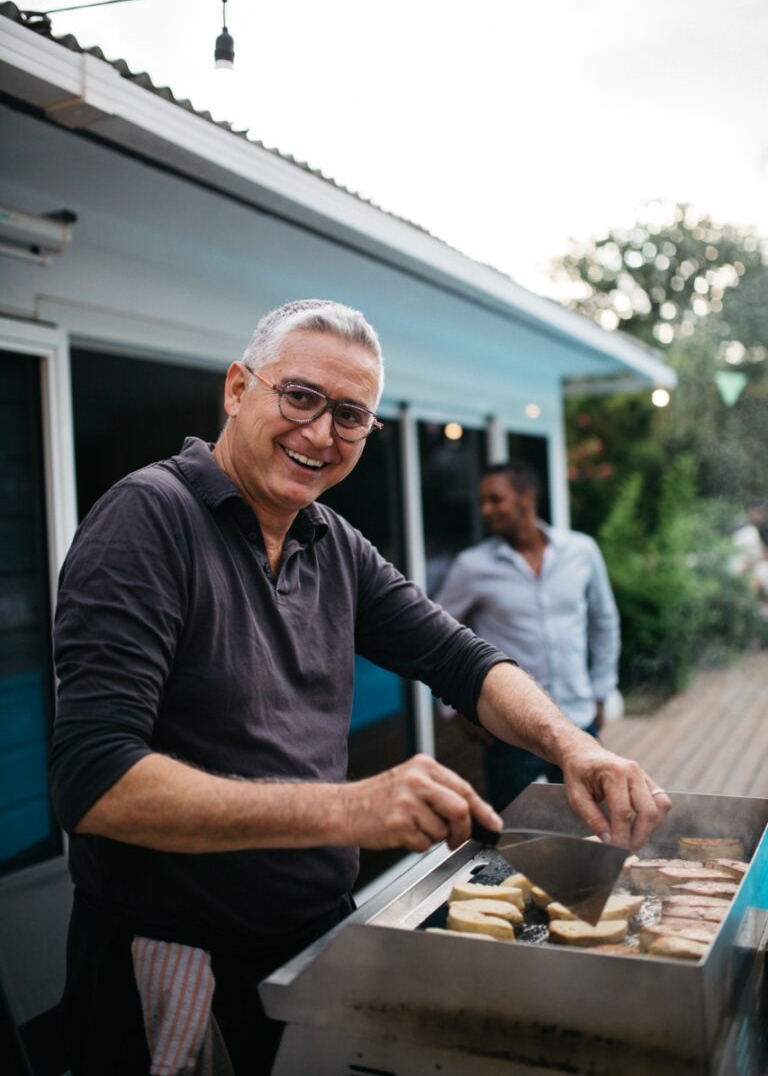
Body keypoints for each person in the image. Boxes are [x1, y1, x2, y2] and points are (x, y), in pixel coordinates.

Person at [50, 301, 669, 1076]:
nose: (319, 434)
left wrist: (573, 744)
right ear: (238, 388)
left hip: (312, 936)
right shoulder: (148, 519)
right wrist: (354, 807)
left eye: (350, 416)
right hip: (175, 960)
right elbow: (93, 780)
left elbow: (462, 660)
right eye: (300, 396)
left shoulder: (328, 538)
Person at [436, 460, 621, 812]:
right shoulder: (471, 567)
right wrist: (454, 711)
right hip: (510, 733)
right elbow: (432, 638)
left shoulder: (581, 551)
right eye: (482, 502)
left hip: (580, 721)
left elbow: (605, 622)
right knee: (513, 842)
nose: (486, 510)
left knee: (593, 830)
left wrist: (601, 690)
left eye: (496, 499)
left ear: (526, 498)